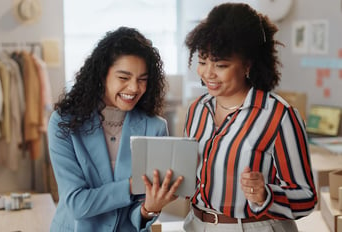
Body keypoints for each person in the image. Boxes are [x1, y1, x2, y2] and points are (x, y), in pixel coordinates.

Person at [182, 3, 317, 232]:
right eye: (203, 62)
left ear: (247, 65)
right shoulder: (197, 109)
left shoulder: (279, 116)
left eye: (221, 65)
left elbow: (307, 197)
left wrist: (266, 195)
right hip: (196, 225)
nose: (208, 73)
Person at [47, 27, 183, 232]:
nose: (134, 88)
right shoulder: (64, 122)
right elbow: (77, 204)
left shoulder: (155, 127)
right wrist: (132, 184)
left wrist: (149, 209)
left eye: (142, 79)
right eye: (123, 77)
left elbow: (142, 209)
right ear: (102, 75)